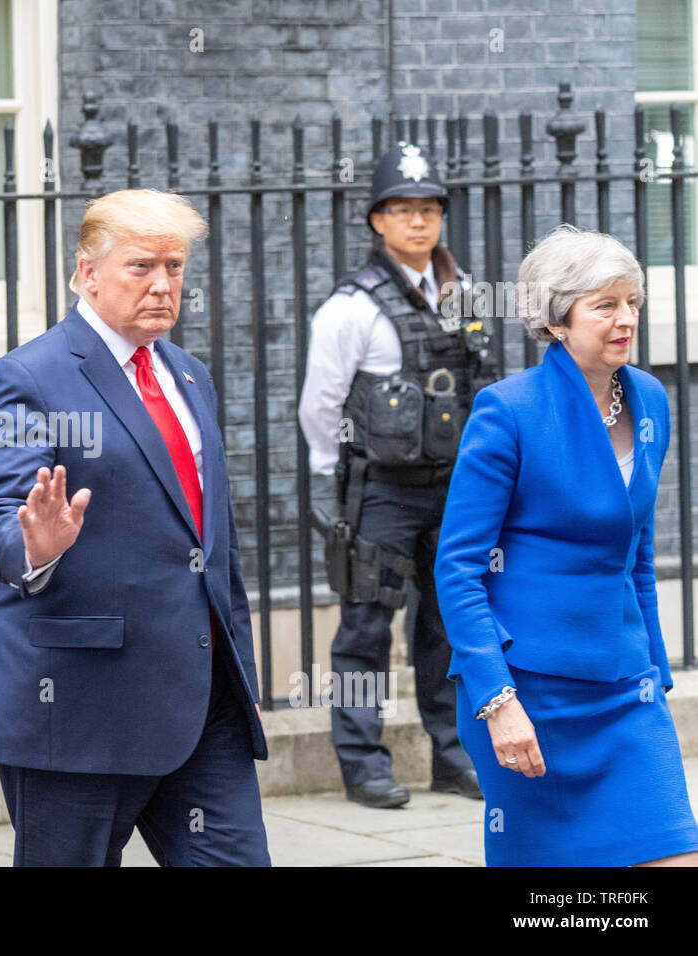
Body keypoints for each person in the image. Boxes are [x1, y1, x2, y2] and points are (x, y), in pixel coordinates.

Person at [0, 189, 270, 866]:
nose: (163, 285)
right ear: (87, 273)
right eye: (141, 266)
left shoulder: (189, 375)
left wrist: (240, 667)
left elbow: (210, 543)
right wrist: (35, 544)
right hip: (80, 704)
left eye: (175, 268)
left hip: (202, 700)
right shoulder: (25, 378)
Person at [435, 225, 698, 867]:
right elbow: (458, 569)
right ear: (556, 319)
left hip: (625, 690)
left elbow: (634, 551)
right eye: (605, 305)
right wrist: (498, 701)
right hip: (527, 692)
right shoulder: (508, 410)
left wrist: (656, 670)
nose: (625, 318)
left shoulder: (653, 399)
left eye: (632, 301)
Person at [299, 142, 493, 808]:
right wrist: (346, 483)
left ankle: (452, 754)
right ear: (377, 219)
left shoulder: (463, 290)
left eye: (429, 208)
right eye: (403, 209)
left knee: (447, 626)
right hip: (381, 492)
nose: (419, 221)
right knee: (364, 631)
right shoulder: (349, 309)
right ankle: (362, 763)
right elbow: (319, 409)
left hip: (456, 491)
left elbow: (480, 385)